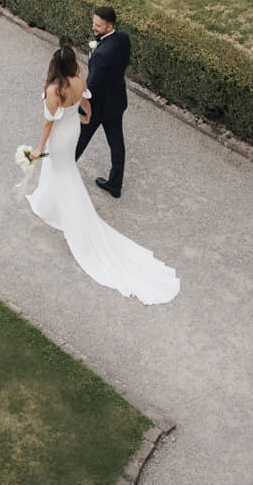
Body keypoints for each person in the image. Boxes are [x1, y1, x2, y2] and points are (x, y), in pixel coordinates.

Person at [25, 39, 179, 304]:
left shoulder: (54, 89)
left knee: (65, 176)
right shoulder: (78, 79)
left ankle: (72, 220)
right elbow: (86, 103)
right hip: (72, 130)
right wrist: (85, 116)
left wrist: (38, 149)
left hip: (60, 136)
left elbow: (48, 124)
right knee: (63, 172)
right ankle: (47, 202)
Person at [76, 5, 129, 198]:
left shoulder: (100, 56)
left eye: (98, 25)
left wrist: (84, 111)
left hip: (97, 107)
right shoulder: (123, 39)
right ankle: (115, 185)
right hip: (117, 102)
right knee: (117, 144)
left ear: (109, 26)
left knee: (78, 142)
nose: (94, 27)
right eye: (93, 23)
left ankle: (62, 179)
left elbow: (89, 89)